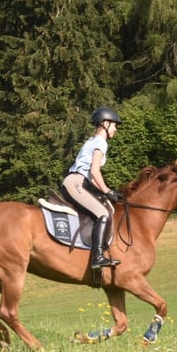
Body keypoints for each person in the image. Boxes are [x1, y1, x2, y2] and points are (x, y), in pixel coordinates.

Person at [61, 106, 124, 269]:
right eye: (114, 125)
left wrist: (109, 191)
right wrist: (107, 191)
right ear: (105, 123)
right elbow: (95, 171)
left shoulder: (93, 141)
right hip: (76, 183)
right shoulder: (101, 143)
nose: (116, 129)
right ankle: (97, 257)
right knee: (103, 213)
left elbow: (92, 176)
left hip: (77, 182)